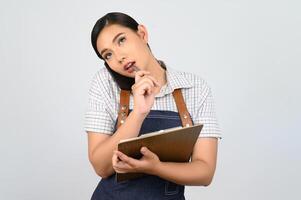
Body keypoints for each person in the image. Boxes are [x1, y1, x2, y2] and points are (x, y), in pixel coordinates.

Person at [85, 12, 222, 200]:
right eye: (108, 55)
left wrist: (156, 167)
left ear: (142, 33)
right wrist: (139, 113)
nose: (119, 57)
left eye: (121, 40)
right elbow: (101, 166)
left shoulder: (194, 87)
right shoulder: (105, 83)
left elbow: (205, 172)